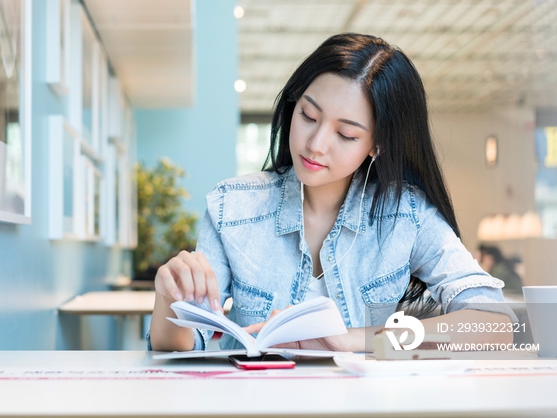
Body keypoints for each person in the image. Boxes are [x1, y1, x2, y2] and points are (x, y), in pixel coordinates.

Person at [149, 33, 514, 353]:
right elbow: (181, 343)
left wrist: (356, 339)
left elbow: (493, 325)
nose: (315, 144)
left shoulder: (406, 215)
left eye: (346, 135)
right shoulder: (235, 206)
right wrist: (168, 298)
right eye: (308, 115)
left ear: (377, 144)